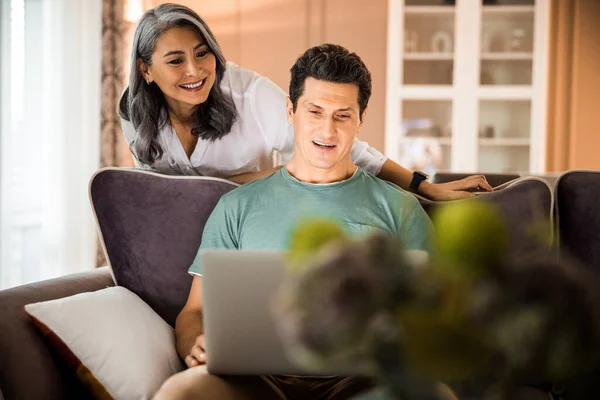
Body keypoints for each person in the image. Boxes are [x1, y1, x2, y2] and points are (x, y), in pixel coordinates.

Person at [153, 43, 457, 400]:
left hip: (363, 382)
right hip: (258, 380)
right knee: (182, 392)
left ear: (361, 118)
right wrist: (194, 344)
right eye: (315, 111)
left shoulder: (400, 208)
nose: (327, 131)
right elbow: (194, 311)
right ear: (291, 110)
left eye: (343, 115)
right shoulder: (236, 207)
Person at [119, 3, 492, 200]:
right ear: (146, 69)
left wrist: (423, 187)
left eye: (203, 54)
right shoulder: (133, 113)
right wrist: (232, 181)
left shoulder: (250, 96)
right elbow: (157, 194)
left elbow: (343, 146)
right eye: (175, 61)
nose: (195, 70)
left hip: (251, 217)